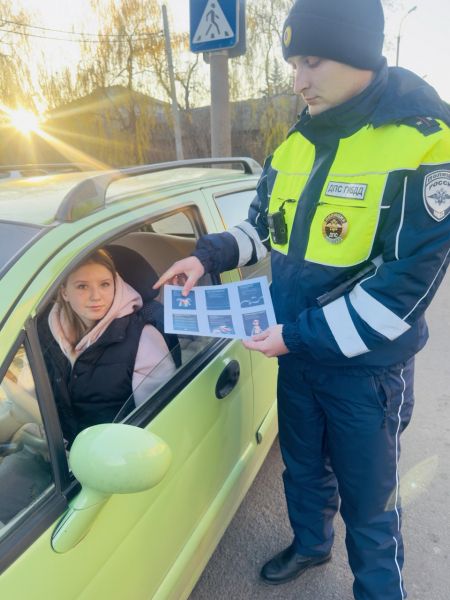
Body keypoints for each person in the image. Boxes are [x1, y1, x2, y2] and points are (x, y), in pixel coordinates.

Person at [154, 1, 450, 597]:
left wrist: (297, 335)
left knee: (371, 504)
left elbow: (404, 287)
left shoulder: (422, 142)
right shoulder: (295, 143)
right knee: (304, 468)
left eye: (312, 62)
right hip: (296, 354)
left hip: (365, 372)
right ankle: (312, 546)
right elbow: (263, 227)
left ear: (359, 54)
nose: (299, 81)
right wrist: (206, 256)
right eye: (293, 65)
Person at [40, 248, 176, 446]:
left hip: (115, 454)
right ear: (64, 292)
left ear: (116, 285)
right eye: (82, 286)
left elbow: (159, 422)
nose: (96, 296)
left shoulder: (144, 339)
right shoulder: (46, 332)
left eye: (104, 284)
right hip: (59, 449)